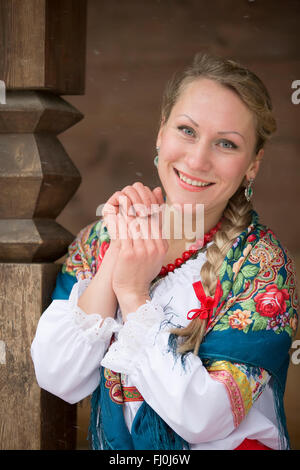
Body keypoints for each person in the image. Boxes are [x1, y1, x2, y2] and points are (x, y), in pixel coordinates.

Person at [31, 53, 299, 450]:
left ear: (253, 165)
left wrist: (135, 295)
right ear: (161, 133)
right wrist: (118, 255)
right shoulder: (98, 239)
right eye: (187, 130)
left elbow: (203, 418)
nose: (197, 159)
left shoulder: (260, 266)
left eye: (226, 143)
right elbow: (58, 376)